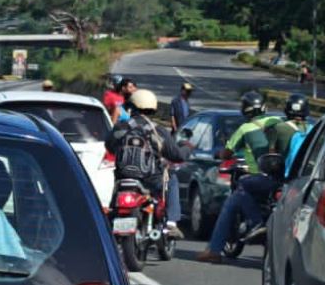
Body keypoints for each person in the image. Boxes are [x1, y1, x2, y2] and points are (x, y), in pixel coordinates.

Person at [196, 92, 285, 263]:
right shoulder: (277, 122)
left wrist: (219, 153)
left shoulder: (244, 129)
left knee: (235, 196)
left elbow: (227, 153)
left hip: (260, 177)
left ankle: (216, 248)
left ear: (245, 110)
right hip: (284, 178)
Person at [105, 88, 191, 239]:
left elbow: (109, 147)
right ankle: (171, 224)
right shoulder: (157, 131)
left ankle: (109, 219)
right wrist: (186, 147)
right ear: (153, 109)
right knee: (172, 180)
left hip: (123, 177)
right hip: (150, 179)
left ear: (131, 107)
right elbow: (176, 155)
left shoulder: (121, 128)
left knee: (114, 197)